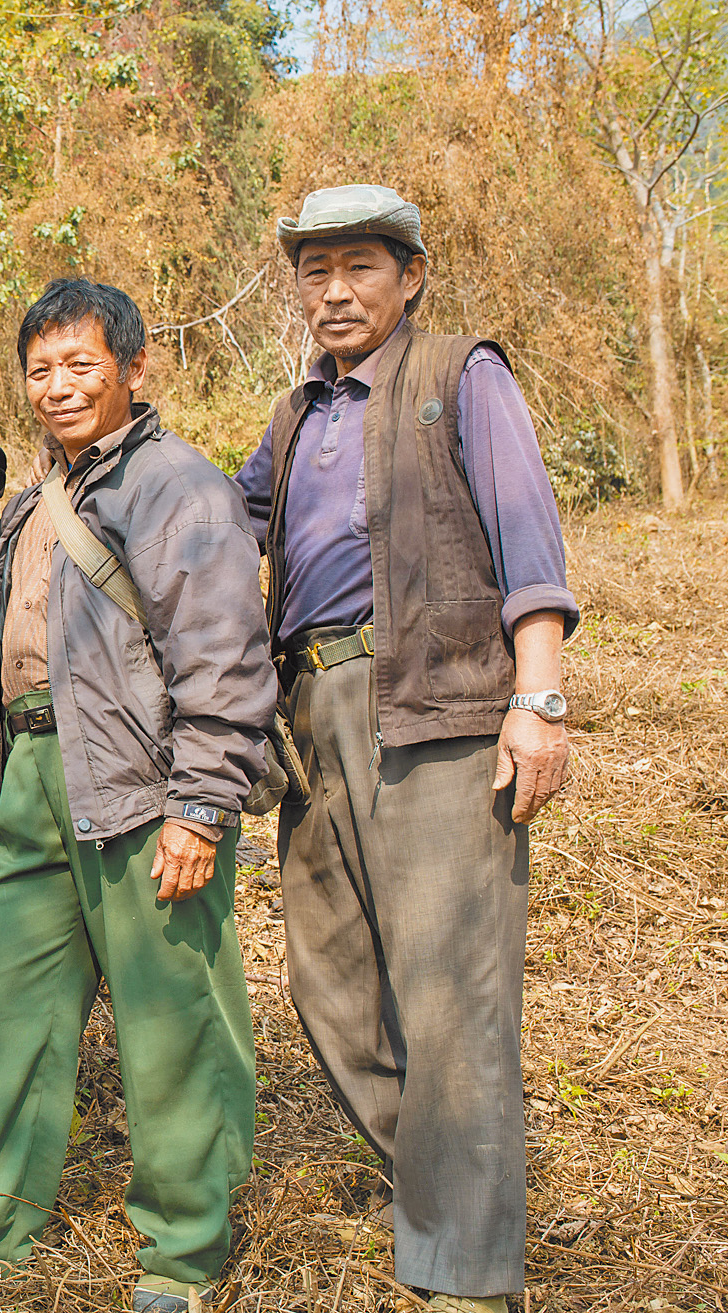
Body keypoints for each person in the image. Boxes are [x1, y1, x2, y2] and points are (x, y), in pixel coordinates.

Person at [0, 278, 273, 1313]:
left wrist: (199, 805)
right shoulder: (43, 491)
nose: (57, 386)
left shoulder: (178, 485)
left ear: (135, 369)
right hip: (39, 776)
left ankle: (183, 1250)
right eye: (40, 368)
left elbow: (224, 657)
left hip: (146, 782)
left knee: (170, 1011)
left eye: (81, 364)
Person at [234, 185, 575, 1313]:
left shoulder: (456, 376)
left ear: (410, 274)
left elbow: (526, 533)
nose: (333, 290)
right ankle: (440, 1189)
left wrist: (539, 700)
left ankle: (469, 1274)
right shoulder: (295, 415)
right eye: (314, 269)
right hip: (315, 713)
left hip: (435, 705)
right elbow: (215, 518)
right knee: (327, 981)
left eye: (359, 267)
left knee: (451, 996)